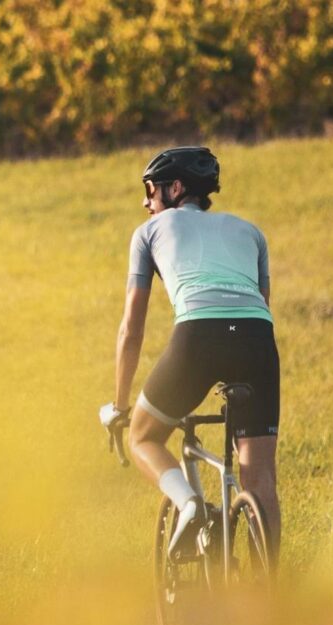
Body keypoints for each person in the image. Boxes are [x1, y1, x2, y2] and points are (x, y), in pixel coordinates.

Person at [101, 146, 281, 563]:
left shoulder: (148, 232)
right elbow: (260, 305)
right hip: (257, 338)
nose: (146, 202)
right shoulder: (251, 232)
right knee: (259, 478)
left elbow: (132, 327)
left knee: (143, 435)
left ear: (175, 187)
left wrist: (120, 404)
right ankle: (271, 596)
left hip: (198, 336)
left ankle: (189, 505)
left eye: (150, 190)